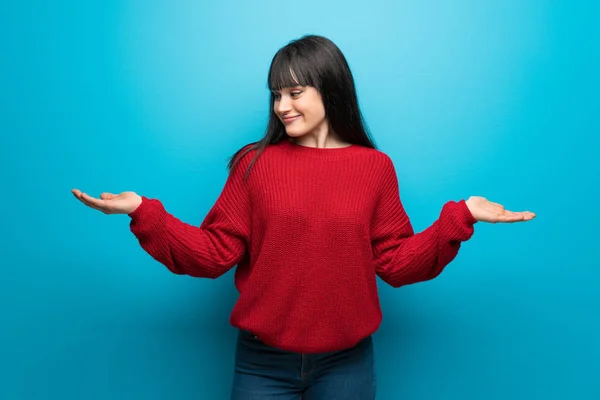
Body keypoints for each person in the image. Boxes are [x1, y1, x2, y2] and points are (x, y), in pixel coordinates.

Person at [72, 34, 535, 399]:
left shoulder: (374, 167)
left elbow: (395, 262)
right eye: (276, 95)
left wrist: (462, 217)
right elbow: (214, 254)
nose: (281, 107)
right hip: (261, 362)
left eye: (295, 92)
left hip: (347, 363)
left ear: (330, 90)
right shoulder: (255, 164)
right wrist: (143, 212)